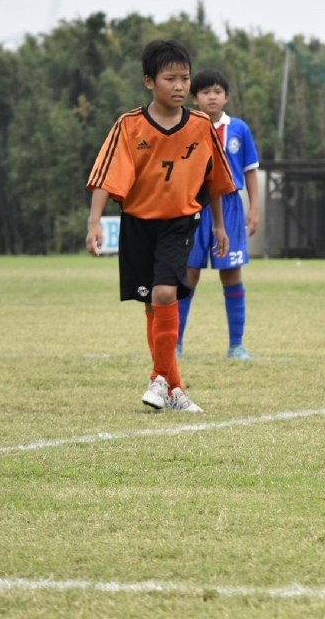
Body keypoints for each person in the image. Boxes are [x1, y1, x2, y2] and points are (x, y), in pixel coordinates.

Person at [86, 39, 237, 413]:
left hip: (180, 222)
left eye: (185, 78)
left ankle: (158, 378)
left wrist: (219, 227)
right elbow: (107, 176)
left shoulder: (200, 125)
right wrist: (94, 222)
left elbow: (216, 181)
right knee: (153, 305)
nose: (180, 86)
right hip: (138, 223)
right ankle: (175, 388)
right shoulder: (130, 125)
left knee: (166, 293)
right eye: (170, 78)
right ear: (149, 81)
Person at [175, 69, 261, 361]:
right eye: (206, 92)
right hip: (194, 205)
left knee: (231, 273)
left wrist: (254, 207)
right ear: (194, 98)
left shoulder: (239, 129)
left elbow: (250, 170)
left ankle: (236, 345)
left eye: (218, 92)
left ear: (227, 97)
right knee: (188, 273)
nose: (212, 97)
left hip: (230, 206)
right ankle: (176, 344)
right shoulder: (185, 127)